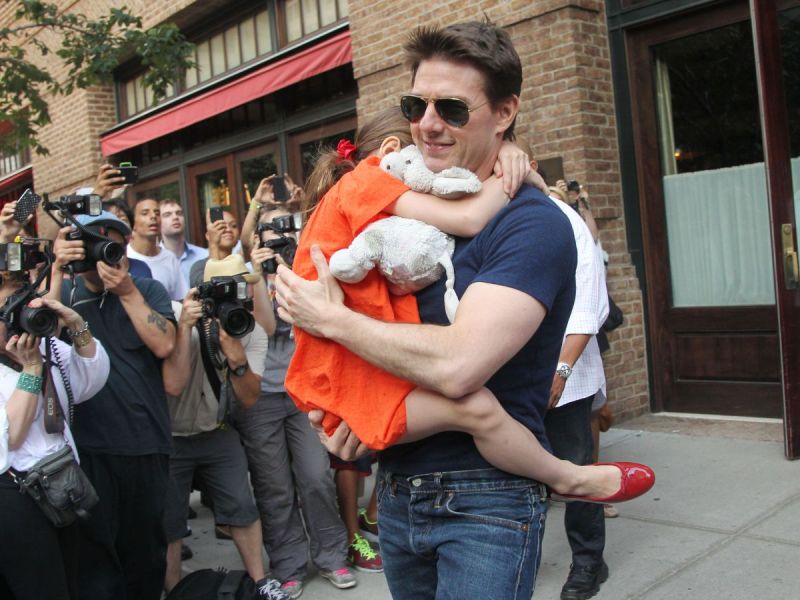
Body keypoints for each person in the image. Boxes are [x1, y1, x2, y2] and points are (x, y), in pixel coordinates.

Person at [275, 22, 578, 599]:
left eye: (453, 109)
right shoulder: (403, 205)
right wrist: (356, 412)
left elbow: (458, 366)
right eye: (416, 106)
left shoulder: (531, 223)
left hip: (486, 498)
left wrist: (332, 320)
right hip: (396, 488)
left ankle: (570, 478)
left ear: (505, 112)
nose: (428, 124)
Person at [286, 107, 630, 497]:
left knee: (473, 406)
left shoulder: (365, 203)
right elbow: (468, 217)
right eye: (429, 159)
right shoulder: (366, 181)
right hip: (343, 381)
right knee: (476, 408)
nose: (438, 173)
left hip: (343, 378)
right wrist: (518, 175)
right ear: (393, 151)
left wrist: (508, 151)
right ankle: (568, 479)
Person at [49, 210, 178, 600]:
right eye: (91, 246)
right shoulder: (67, 295)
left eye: (111, 246)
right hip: (88, 450)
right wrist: (57, 269)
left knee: (145, 557)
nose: (102, 256)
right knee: (96, 565)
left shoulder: (146, 288)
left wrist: (126, 292)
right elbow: (40, 338)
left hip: (145, 443)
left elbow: (165, 344)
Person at [230, 205, 356, 599]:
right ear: (257, 241)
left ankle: (332, 555)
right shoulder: (244, 275)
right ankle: (288, 565)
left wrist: (291, 269)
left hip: (305, 390)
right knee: (274, 486)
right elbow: (264, 326)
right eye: (270, 236)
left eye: (285, 233)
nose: (278, 243)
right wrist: (256, 277)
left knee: (316, 476)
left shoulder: (307, 268)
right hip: (260, 394)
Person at [162, 278, 287, 600]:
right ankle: (175, 592)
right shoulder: (176, 316)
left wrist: (237, 359)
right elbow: (171, 383)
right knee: (170, 521)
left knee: (242, 506)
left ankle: (260, 583)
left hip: (215, 429)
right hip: (169, 435)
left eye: (239, 293)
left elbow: (249, 398)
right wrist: (184, 327)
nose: (229, 307)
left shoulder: (251, 331)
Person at [0, 258, 110, 599]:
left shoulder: (43, 346)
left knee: (69, 585)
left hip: (61, 487)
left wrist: (76, 325)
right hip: (16, 499)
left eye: (19, 303)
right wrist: (32, 369)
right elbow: (9, 436)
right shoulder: (33, 357)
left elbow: (92, 377)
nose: (14, 316)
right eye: (7, 309)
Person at [545, 183, 612, 600]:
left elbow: (590, 303)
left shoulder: (563, 218)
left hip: (566, 375)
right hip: (512, 376)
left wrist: (561, 370)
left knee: (576, 473)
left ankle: (589, 561)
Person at [126, 197, 188, 301]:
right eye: (145, 213)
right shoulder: (125, 255)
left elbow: (181, 299)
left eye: (157, 213)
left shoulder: (169, 258)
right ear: (133, 223)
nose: (153, 216)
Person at [160, 199, 208, 286]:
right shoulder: (155, 259)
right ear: (158, 222)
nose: (175, 217)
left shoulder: (204, 255)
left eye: (179, 213)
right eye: (167, 215)